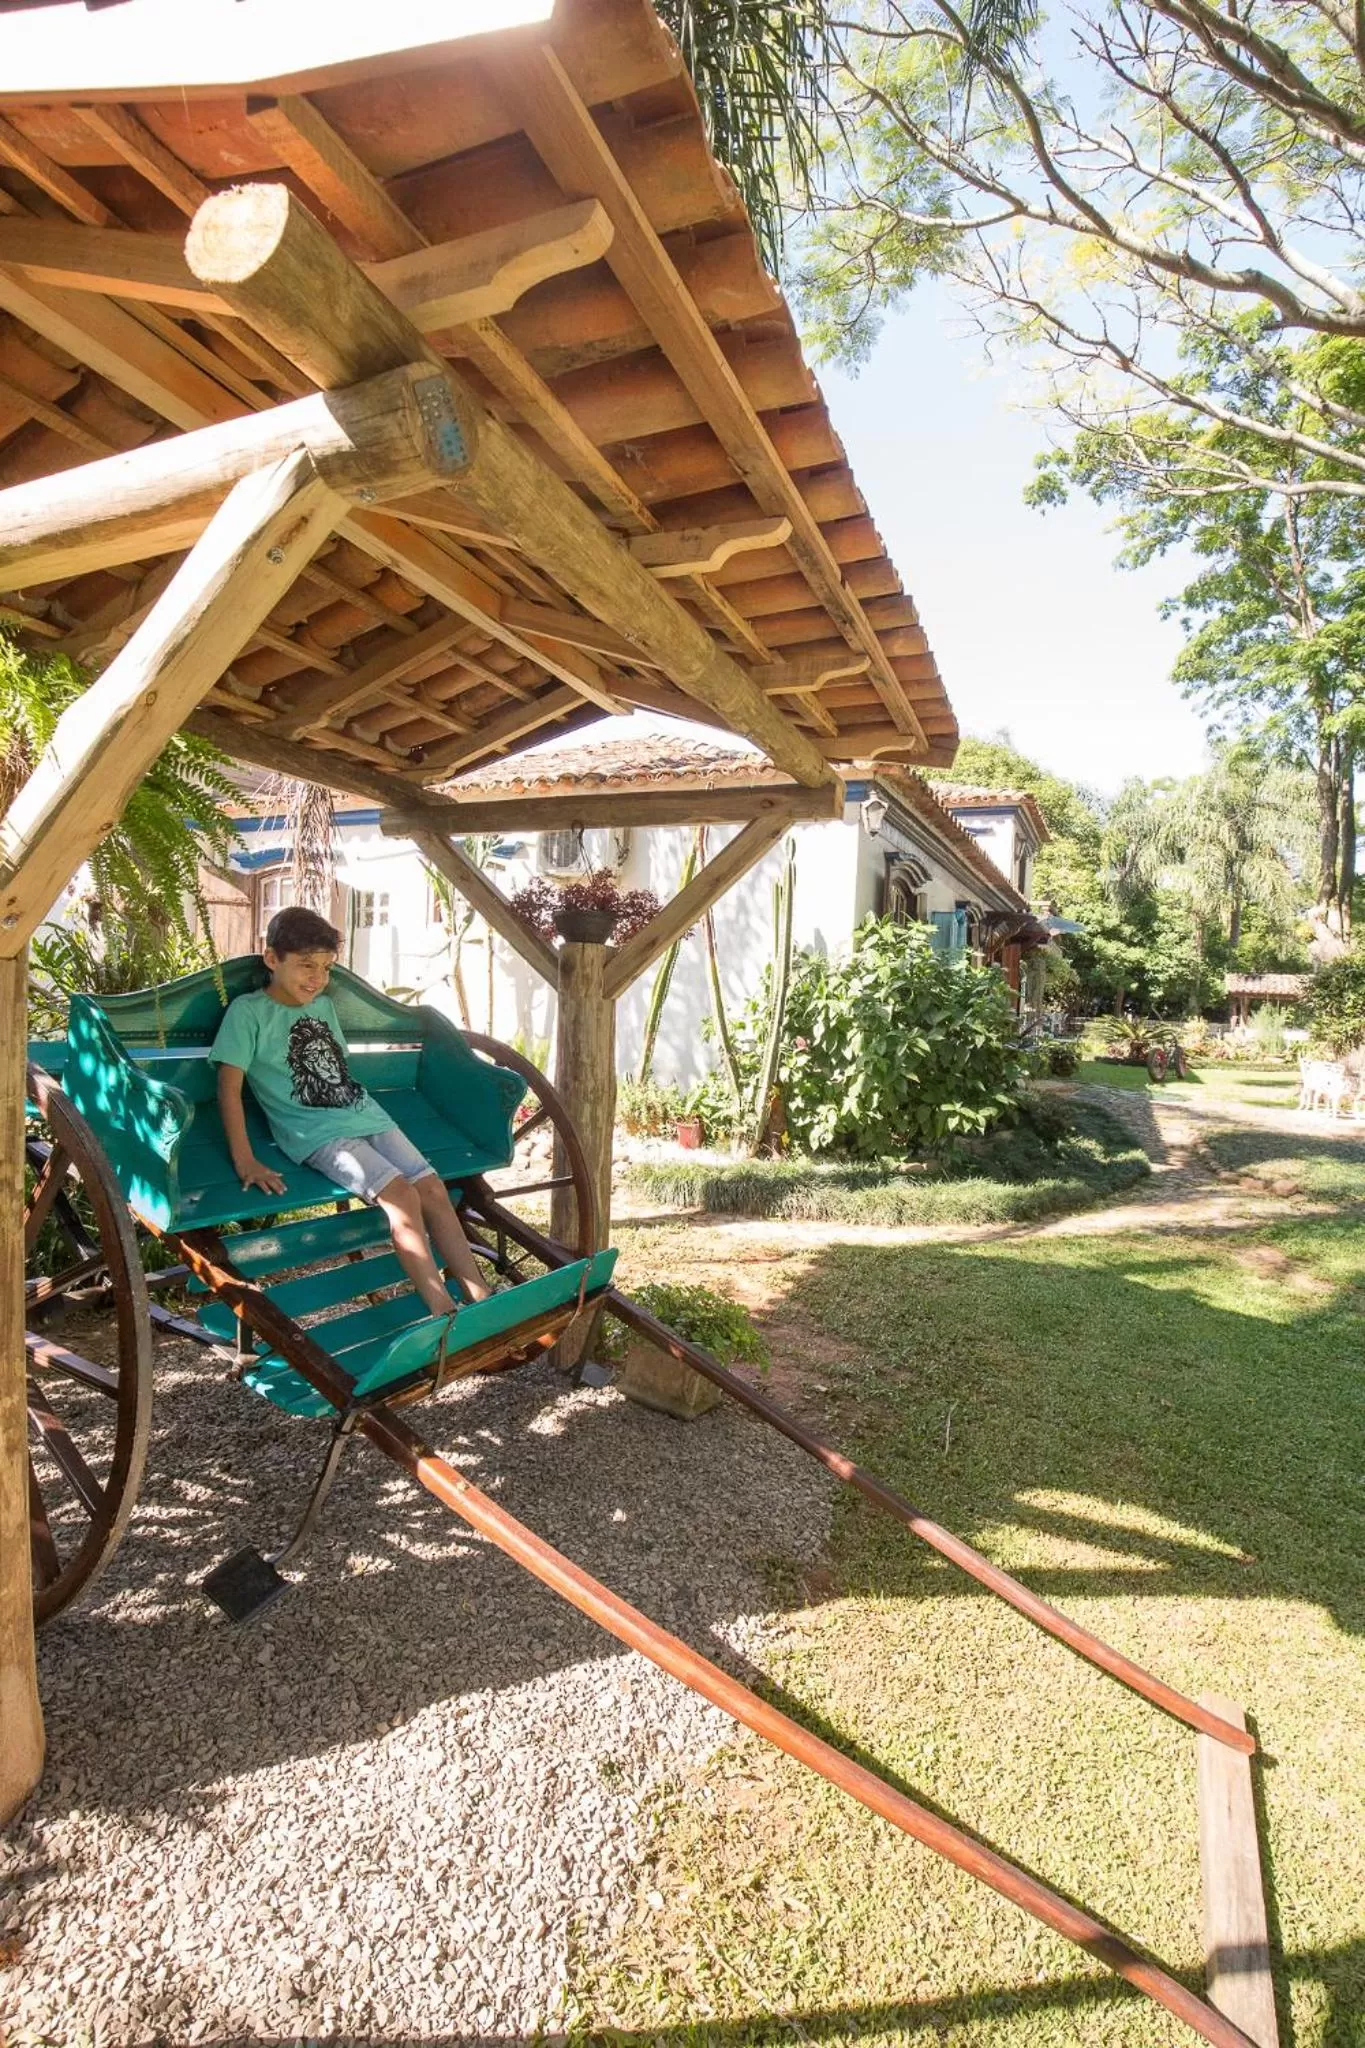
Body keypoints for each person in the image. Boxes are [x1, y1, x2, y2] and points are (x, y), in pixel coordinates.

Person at [209, 906, 488, 1315]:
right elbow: (228, 1088)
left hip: (364, 1114)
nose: (317, 978)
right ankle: (441, 1309)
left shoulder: (322, 1008)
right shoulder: (248, 1013)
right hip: (318, 1132)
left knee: (432, 1190)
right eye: (306, 966)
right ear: (272, 959)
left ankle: (480, 1295)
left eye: (325, 968)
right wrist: (245, 1159)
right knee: (402, 1197)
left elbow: (338, 1070)